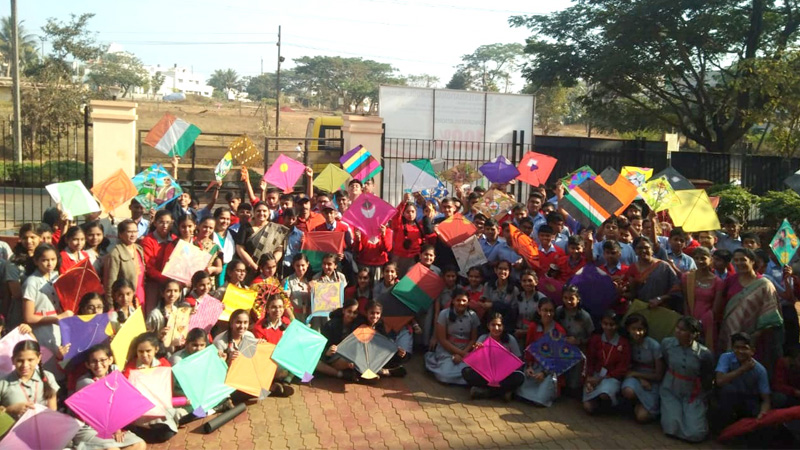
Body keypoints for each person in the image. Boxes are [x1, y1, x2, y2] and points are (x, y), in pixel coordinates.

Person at [718, 248, 783, 375]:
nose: (739, 263)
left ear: (753, 261)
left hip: (756, 337)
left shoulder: (764, 284)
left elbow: (771, 314)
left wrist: (755, 335)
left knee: (753, 370)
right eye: (736, 260)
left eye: (743, 260)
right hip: (731, 332)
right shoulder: (730, 281)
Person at [72, 343, 146, 450]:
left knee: (140, 445)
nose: (98, 365)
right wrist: (116, 429)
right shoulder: (85, 382)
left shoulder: (114, 377)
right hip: (89, 428)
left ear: (110, 360)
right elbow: (100, 411)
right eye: (94, 361)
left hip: (113, 426)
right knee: (112, 449)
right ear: (87, 365)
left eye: (103, 360)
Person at [660, 316, 715, 443]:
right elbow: (664, 362)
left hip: (692, 393)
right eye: (678, 328)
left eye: (683, 330)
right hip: (671, 389)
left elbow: (707, 377)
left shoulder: (704, 353)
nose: (678, 331)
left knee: (696, 434)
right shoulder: (667, 344)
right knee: (671, 428)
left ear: (694, 334)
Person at [22, 244, 72, 378]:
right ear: (36, 261)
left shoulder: (57, 277)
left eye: (53, 259)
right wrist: (56, 318)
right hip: (41, 331)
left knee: (61, 363)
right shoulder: (32, 282)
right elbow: (28, 317)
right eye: (45, 260)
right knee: (46, 367)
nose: (50, 263)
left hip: (58, 329)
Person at [122, 332, 181, 442]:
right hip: (140, 410)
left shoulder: (163, 364)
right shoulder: (131, 368)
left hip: (160, 407)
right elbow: (127, 392)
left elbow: (169, 388)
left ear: (156, 349)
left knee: (167, 433)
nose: (144, 355)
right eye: (140, 351)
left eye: (148, 351)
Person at [710, 332, 771, 435]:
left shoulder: (760, 370)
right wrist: (742, 369)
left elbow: (766, 399)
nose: (740, 351)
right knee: (728, 391)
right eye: (737, 348)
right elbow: (719, 381)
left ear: (752, 351)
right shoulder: (726, 357)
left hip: (747, 400)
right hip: (728, 398)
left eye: (744, 348)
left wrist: (762, 414)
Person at [424, 289, 479, 385]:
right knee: (445, 376)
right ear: (453, 301)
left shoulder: (473, 316)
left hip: (466, 350)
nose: (461, 303)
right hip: (447, 350)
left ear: (468, 302)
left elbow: (473, 339)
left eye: (464, 301)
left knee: (476, 370)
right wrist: (459, 353)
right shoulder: (444, 314)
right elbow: (442, 340)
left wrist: (463, 354)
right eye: (458, 300)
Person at [463, 313, 524, 400]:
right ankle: (501, 393)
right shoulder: (483, 338)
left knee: (519, 377)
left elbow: (519, 360)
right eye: (493, 325)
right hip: (486, 374)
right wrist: (477, 351)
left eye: (499, 325)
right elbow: (473, 363)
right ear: (488, 326)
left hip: (504, 375)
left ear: (503, 326)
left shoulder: (510, 339)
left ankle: (485, 392)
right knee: (466, 372)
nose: (496, 328)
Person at [517, 297, 564, 407]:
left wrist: (544, 373)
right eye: (545, 310)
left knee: (540, 400)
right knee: (519, 390)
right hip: (535, 366)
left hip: (550, 370)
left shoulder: (559, 330)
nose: (548, 314)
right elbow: (529, 347)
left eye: (551, 311)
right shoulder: (533, 327)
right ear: (539, 311)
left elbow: (559, 358)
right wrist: (529, 366)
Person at [583, 310, 631, 414]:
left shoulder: (623, 343)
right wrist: (589, 377)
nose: (608, 327)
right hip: (596, 375)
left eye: (612, 324)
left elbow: (622, 367)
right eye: (605, 324)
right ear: (601, 324)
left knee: (604, 394)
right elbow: (590, 359)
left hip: (611, 377)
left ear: (617, 325)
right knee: (588, 407)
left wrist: (602, 378)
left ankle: (613, 404)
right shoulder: (596, 339)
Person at [621, 313, 664, 423]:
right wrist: (640, 379)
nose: (637, 333)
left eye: (640, 329)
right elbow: (627, 368)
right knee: (628, 391)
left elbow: (659, 375)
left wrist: (637, 375)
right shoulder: (627, 343)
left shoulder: (654, 346)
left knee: (642, 417)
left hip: (652, 381)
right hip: (636, 379)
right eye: (633, 329)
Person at [0, 341, 60, 418]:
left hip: (44, 427)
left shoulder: (48, 377)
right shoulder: (3, 383)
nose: (25, 365)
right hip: (15, 429)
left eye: (30, 360)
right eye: (20, 361)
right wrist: (9, 410)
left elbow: (53, 410)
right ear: (13, 360)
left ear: (39, 358)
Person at [682, 247, 723, 352]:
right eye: (696, 258)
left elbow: (716, 308)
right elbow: (686, 301)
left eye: (703, 258)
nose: (699, 261)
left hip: (708, 322)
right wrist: (689, 320)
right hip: (690, 318)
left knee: (705, 351)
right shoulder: (687, 277)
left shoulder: (718, 282)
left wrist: (702, 322)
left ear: (710, 260)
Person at [625, 236, 682, 313]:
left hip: (661, 309)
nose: (643, 250)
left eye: (646, 247)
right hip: (641, 310)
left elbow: (676, 290)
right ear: (635, 251)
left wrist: (660, 299)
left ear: (652, 250)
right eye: (640, 248)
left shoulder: (664, 267)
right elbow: (632, 295)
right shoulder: (632, 268)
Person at [555, 284, 594, 393]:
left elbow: (592, 337)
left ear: (578, 299)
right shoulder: (559, 311)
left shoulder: (585, 317)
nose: (568, 302)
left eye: (571, 298)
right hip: (561, 348)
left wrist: (578, 341)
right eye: (565, 298)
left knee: (573, 385)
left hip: (578, 351)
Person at [104, 219, 146, 309]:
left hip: (139, 294)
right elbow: (110, 282)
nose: (133, 234)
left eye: (135, 231)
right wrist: (111, 305)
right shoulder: (115, 253)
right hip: (124, 298)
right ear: (120, 234)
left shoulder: (139, 249)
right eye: (129, 232)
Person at [140, 210, 176, 313]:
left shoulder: (175, 240)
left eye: (168, 222)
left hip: (172, 284)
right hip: (154, 283)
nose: (164, 225)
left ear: (172, 223)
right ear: (155, 223)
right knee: (152, 311)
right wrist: (165, 279)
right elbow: (148, 267)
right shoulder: (148, 240)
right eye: (161, 222)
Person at [316, 298, 360, 380]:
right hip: (333, 357)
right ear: (344, 311)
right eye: (349, 311)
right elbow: (321, 347)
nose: (351, 315)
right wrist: (327, 352)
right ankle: (341, 374)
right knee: (316, 364)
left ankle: (345, 373)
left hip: (349, 356)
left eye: (355, 313)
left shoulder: (358, 324)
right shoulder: (330, 325)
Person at [515, 270, 548, 341]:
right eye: (524, 281)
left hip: (536, 336)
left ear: (536, 282)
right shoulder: (518, 297)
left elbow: (545, 322)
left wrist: (525, 332)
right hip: (518, 334)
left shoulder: (542, 299)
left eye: (530, 280)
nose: (527, 283)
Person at [284, 254, 311, 324]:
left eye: (303, 265)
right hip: (294, 316)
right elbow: (285, 303)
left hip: (309, 317)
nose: (300, 268)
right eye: (297, 266)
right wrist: (292, 319)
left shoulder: (311, 280)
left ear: (307, 264)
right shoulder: (287, 281)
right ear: (293, 265)